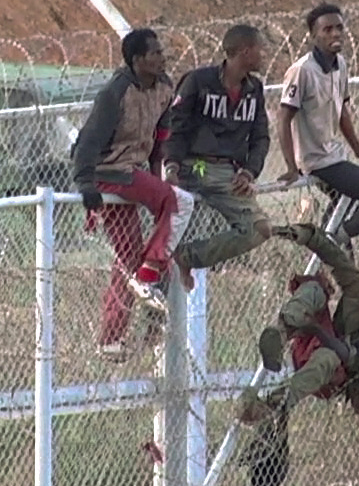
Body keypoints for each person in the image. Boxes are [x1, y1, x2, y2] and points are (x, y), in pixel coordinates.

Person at [236, 222, 359, 428]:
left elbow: (353, 357)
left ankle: (269, 407)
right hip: (320, 340)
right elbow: (335, 259)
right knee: (315, 289)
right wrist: (304, 235)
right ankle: (279, 333)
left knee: (329, 356)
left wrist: (316, 329)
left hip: (342, 376)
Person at [71, 28, 183, 359]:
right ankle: (150, 273)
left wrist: (159, 172)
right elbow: (88, 141)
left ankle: (113, 337)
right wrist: (85, 183)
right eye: (155, 53)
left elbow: (160, 134)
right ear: (137, 61)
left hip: (137, 173)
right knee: (174, 205)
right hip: (112, 174)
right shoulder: (116, 93)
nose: (162, 57)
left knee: (129, 261)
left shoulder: (163, 88)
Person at [276, 3, 359, 245]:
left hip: (335, 154)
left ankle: (331, 251)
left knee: (346, 203)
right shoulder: (302, 71)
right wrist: (292, 165)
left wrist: (358, 149)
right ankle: (331, 242)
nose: (335, 34)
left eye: (339, 28)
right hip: (317, 159)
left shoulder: (340, 64)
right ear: (314, 35)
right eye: (327, 29)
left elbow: (341, 110)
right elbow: (283, 117)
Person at [164, 25, 273, 288]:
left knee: (258, 229)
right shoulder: (199, 82)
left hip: (229, 173)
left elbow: (260, 137)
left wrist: (249, 172)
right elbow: (176, 127)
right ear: (245, 51)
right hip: (197, 166)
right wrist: (172, 167)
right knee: (166, 237)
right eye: (259, 49)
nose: (263, 55)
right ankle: (177, 265)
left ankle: (188, 256)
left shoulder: (253, 89)